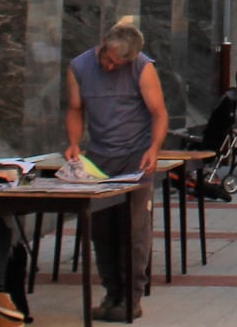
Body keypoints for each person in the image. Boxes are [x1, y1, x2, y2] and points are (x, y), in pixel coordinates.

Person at [65, 24, 166, 321]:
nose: (110, 67)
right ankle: (112, 293)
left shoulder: (143, 68)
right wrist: (73, 142)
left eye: (117, 65)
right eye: (107, 60)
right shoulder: (79, 67)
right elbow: (75, 109)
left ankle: (131, 298)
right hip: (99, 159)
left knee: (133, 230)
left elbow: (158, 112)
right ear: (102, 44)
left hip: (135, 157)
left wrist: (154, 148)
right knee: (102, 230)